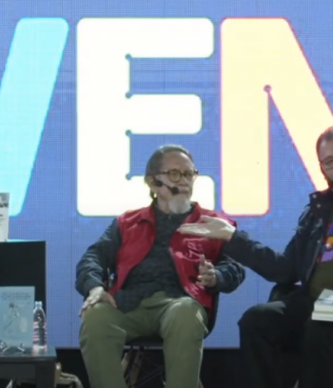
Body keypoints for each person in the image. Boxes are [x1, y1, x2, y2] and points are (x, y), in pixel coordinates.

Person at [178, 125, 333, 388]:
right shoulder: (318, 209)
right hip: (316, 303)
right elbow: (285, 269)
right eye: (330, 162)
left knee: (321, 328)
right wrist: (232, 237)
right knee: (256, 321)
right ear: (322, 168)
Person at [76, 144, 246, 388]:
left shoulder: (214, 223)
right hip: (126, 304)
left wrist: (216, 276)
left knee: (186, 313)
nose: (184, 181)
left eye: (189, 174)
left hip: (179, 303)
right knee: (96, 316)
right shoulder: (127, 222)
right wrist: (94, 287)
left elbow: (235, 268)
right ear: (153, 182)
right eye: (175, 174)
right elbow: (92, 257)